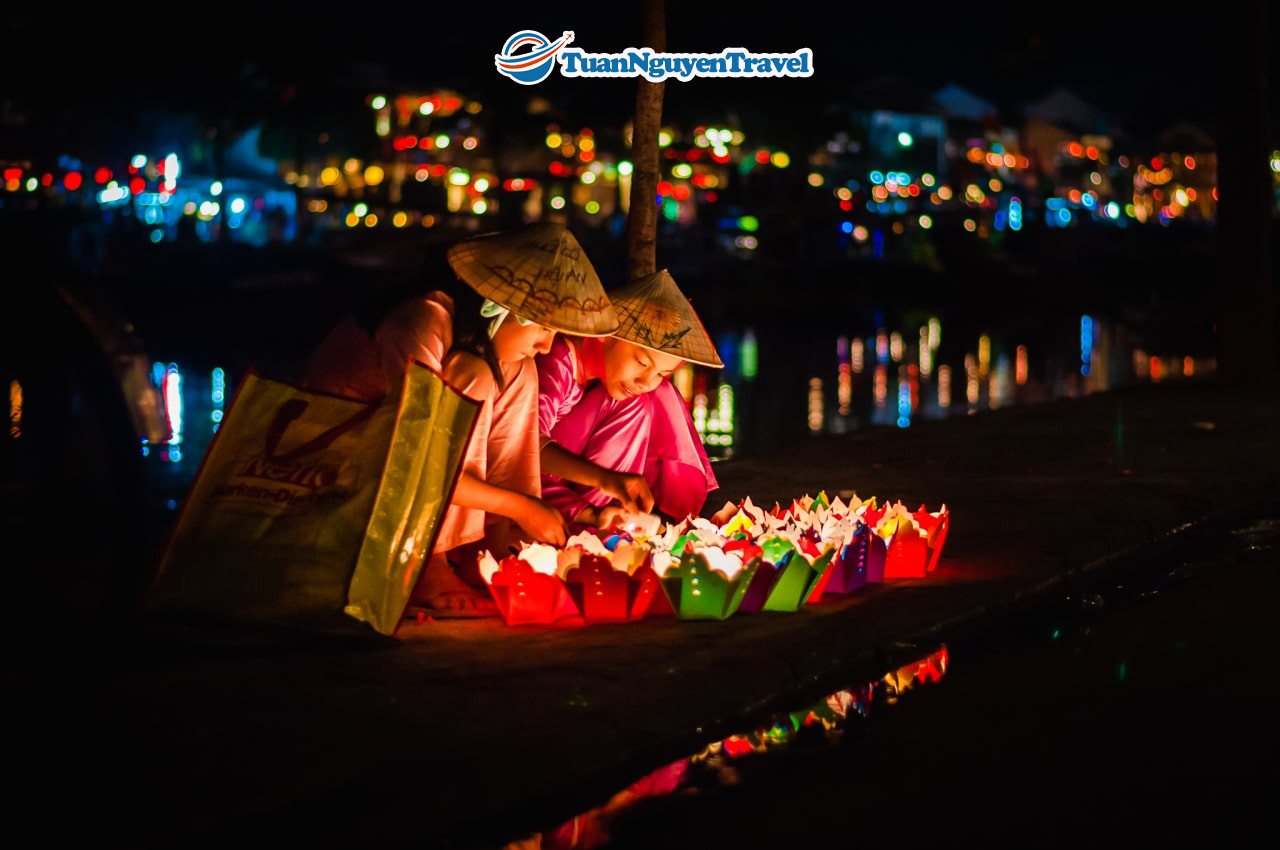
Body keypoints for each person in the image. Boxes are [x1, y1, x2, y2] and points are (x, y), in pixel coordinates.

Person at [302, 222, 619, 615]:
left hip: (397, 458)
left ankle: (484, 551)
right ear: (497, 307)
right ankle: (426, 564)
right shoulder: (423, 320)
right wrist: (522, 507)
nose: (545, 345)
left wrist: (531, 505)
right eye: (542, 327)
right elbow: (418, 456)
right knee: (479, 375)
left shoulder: (487, 346)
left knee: (519, 371)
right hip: (337, 456)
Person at [536, 268, 724, 532]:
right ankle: (596, 520)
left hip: (559, 478)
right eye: (642, 362)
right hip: (528, 478)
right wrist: (605, 479)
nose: (646, 380)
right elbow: (526, 444)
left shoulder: (601, 378)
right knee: (632, 400)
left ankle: (609, 515)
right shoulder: (556, 361)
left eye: (661, 373)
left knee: (643, 397)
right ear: (606, 332)